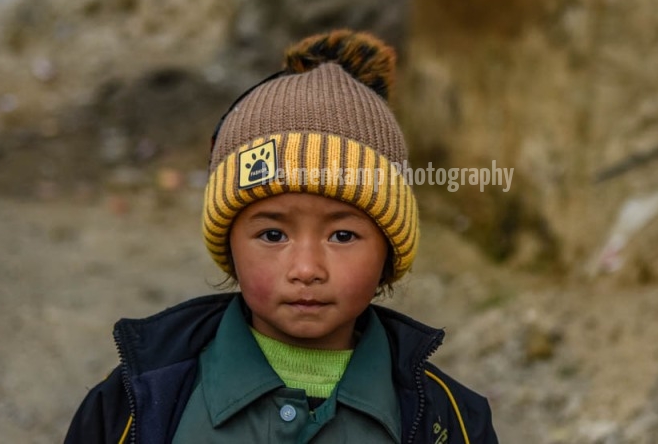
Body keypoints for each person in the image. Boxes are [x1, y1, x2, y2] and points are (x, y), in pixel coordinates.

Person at [65, 29, 499, 443]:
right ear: (228, 244)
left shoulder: (449, 421)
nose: (306, 269)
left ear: (389, 250)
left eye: (342, 236)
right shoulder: (138, 399)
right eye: (273, 234)